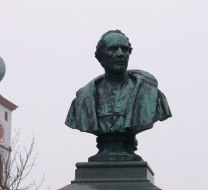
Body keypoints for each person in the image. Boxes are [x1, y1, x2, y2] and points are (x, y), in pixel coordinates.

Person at [65, 30, 171, 159]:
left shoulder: (151, 95)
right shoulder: (82, 100)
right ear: (100, 57)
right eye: (113, 49)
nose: (120, 54)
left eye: (125, 49)